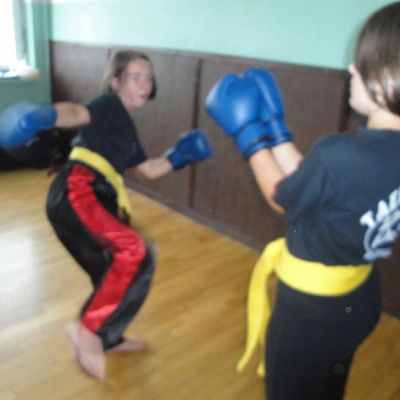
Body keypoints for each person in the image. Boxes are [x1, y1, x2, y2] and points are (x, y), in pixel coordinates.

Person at [205, 2, 400, 399]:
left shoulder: (339, 154)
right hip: (358, 302)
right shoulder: (353, 158)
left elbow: (284, 198)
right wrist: (276, 129)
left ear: (385, 80)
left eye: (360, 64)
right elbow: (316, 184)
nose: (351, 70)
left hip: (311, 315)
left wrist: (249, 136)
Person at [0, 50, 212, 380]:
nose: (145, 84)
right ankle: (87, 329)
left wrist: (179, 156)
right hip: (80, 190)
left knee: (137, 263)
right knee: (133, 251)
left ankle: (109, 337)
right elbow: (76, 112)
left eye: (149, 78)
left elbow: (148, 170)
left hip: (99, 198)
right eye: (136, 77)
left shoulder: (127, 130)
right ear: (115, 82)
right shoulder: (109, 105)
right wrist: (46, 115)